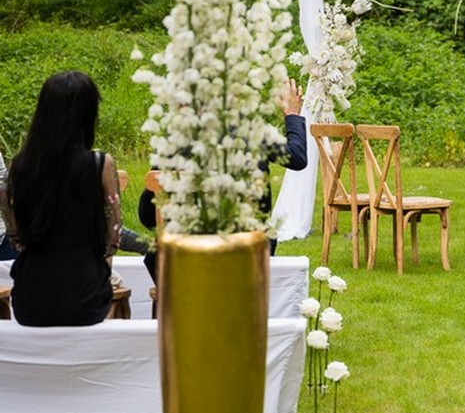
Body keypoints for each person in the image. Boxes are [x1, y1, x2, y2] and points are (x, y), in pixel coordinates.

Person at [139, 78, 308, 281]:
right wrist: (292, 115)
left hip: (181, 262)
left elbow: (147, 216)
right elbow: (297, 158)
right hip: (246, 254)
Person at [1, 71, 121, 326]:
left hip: (31, 299)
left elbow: (15, 234)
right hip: (85, 295)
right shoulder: (99, 164)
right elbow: (113, 236)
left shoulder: (20, 165)